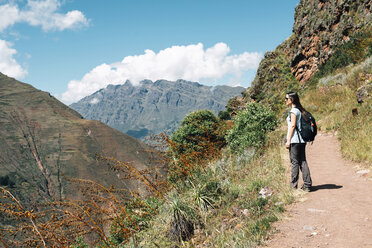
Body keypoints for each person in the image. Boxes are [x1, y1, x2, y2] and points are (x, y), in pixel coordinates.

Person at [285, 92, 312, 192]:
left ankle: (293, 186)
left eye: (286, 98)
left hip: (295, 141)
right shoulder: (301, 110)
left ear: (292, 100)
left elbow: (292, 126)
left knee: (294, 162)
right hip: (302, 140)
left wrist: (288, 140)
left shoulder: (293, 111)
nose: (285, 100)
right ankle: (307, 184)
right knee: (303, 161)